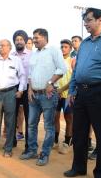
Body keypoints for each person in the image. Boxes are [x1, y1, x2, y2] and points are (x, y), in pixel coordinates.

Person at [64, 8, 101, 178]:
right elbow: (77, 70)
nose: (85, 23)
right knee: (79, 132)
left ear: (100, 20)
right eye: (85, 20)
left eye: (89, 20)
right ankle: (78, 167)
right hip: (81, 92)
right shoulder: (85, 43)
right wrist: (72, 89)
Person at [20, 28, 66, 166]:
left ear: (45, 37)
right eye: (33, 38)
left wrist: (51, 82)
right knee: (31, 124)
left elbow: (61, 69)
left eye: (36, 38)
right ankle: (32, 150)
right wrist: (29, 89)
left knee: (48, 126)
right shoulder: (34, 54)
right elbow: (30, 74)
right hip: (34, 94)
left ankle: (44, 154)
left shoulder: (53, 50)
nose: (33, 40)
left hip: (48, 95)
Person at [0, 39, 26, 157]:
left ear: (9, 47)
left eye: (3, 45)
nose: (1, 47)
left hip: (10, 93)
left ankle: (8, 148)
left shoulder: (16, 60)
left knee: (10, 121)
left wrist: (20, 90)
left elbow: (23, 76)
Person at [11, 30, 32, 151]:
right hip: (14, 88)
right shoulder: (11, 55)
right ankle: (11, 141)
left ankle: (28, 145)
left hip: (29, 88)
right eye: (17, 40)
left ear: (25, 41)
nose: (19, 41)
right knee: (12, 115)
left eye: (21, 39)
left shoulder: (32, 55)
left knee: (29, 117)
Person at [54, 39, 74, 154]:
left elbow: (74, 79)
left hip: (68, 95)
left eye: (66, 47)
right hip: (57, 94)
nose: (63, 49)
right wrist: (57, 89)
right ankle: (55, 141)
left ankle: (67, 142)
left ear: (70, 49)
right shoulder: (56, 62)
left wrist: (63, 89)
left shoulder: (72, 61)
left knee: (69, 119)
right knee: (55, 117)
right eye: (61, 47)